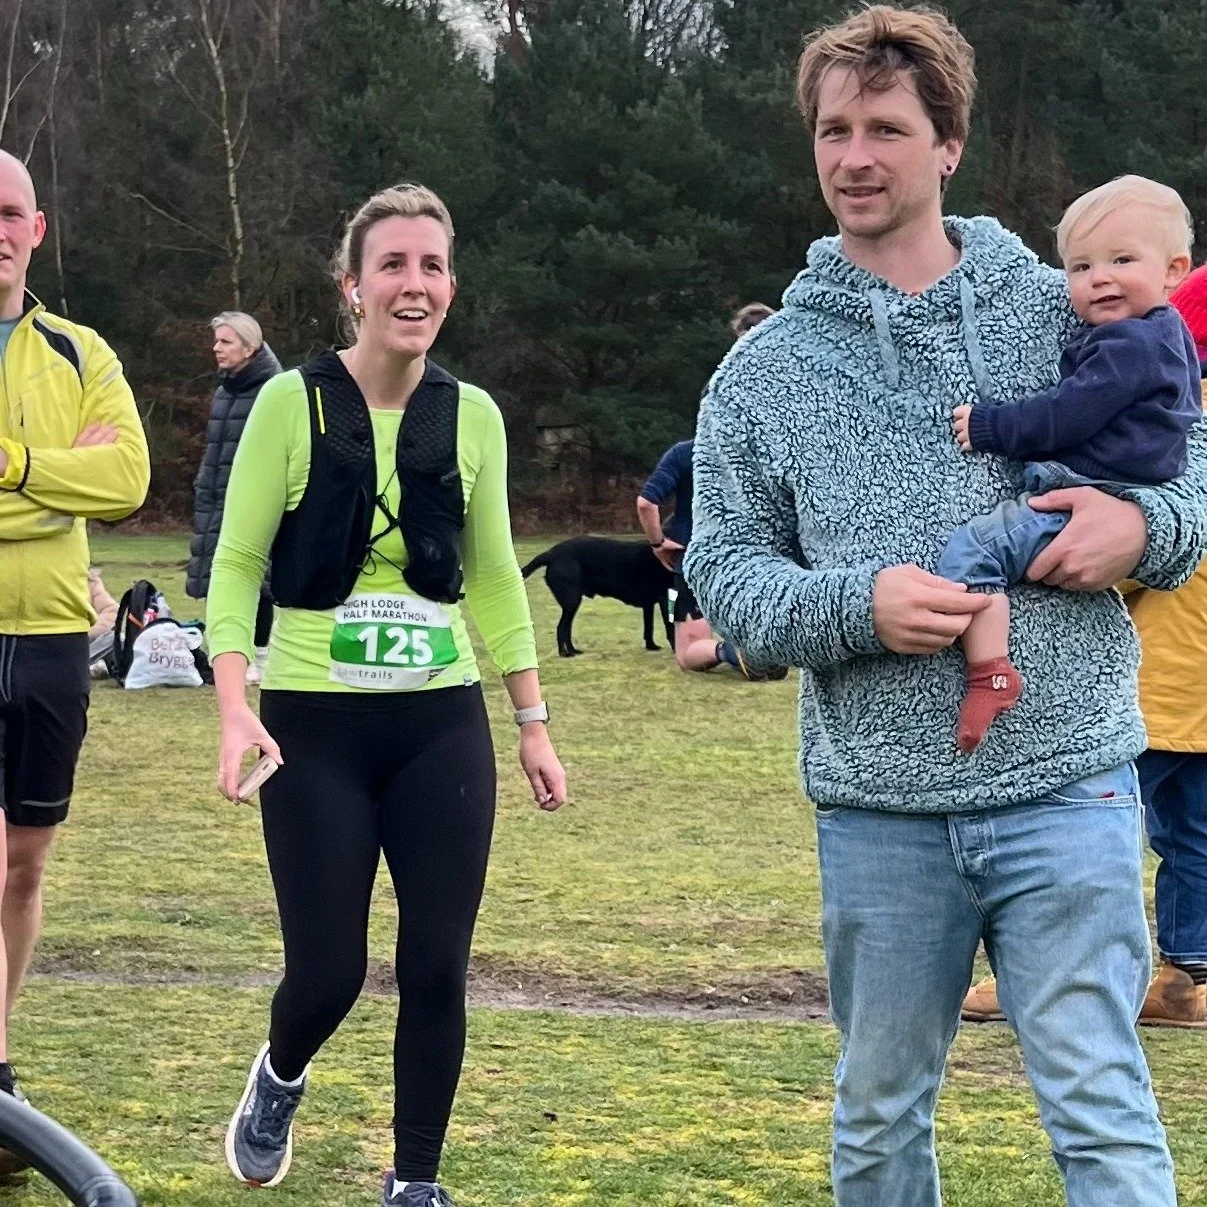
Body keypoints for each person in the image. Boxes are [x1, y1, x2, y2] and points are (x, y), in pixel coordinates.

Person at [683, 8, 1207, 1205]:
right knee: (876, 1119)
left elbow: (1193, 469)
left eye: (884, 127)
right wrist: (854, 604)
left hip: (1067, 785)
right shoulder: (765, 375)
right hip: (880, 810)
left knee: (1101, 1108)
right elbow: (724, 576)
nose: (853, 156)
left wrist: (1143, 526)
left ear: (947, 143)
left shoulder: (1068, 307)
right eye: (832, 128)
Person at [208, 183, 567, 1207]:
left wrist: (531, 721)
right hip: (312, 726)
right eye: (395, 266)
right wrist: (237, 703)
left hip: (437, 722)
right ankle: (279, 1076)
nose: (415, 285)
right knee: (327, 972)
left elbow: (496, 575)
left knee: (438, 966)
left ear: (449, 286)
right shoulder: (291, 404)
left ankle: (415, 1180)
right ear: (352, 288)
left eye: (433, 266)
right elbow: (236, 566)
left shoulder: (475, 416)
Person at [963, 261, 1207, 1029]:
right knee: (1190, 831)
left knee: (1073, 831)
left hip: (1156, 683)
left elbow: (1136, 568)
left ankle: (1047, 970)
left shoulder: (1161, 450)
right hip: (1186, 692)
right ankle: (1187, 972)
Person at [0, 149, 149, 1166]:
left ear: (38, 228)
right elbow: (82, 487)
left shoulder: (79, 350)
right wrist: (57, 493)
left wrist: (14, 467)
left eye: (10, 212)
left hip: (52, 635)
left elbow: (128, 475)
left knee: (23, 860)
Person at [939, 176, 1199, 751]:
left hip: (1087, 493)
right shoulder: (1163, 335)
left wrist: (989, 425)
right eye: (1080, 268)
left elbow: (1067, 416)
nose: (1098, 277)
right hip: (1112, 489)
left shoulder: (1130, 345)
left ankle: (992, 669)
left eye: (1121, 259)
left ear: (1174, 270)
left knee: (973, 552)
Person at [636, 302, 782, 678]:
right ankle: (767, 645)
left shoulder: (687, 453)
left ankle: (735, 652)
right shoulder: (779, 442)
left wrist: (657, 544)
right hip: (767, 556)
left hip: (697, 557)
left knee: (687, 652)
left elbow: (646, 503)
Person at [185, 311, 282, 684]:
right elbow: (215, 450)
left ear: (249, 346)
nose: (216, 348)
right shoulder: (223, 391)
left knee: (260, 580)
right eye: (216, 341)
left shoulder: (275, 389)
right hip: (215, 496)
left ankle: (260, 656)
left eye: (225, 341)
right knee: (219, 576)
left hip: (257, 497)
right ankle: (226, 653)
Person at [86, 568, 119, 678]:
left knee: (117, 638)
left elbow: (110, 610)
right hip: (55, 640)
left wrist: (91, 632)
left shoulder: (90, 581)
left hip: (85, 639)